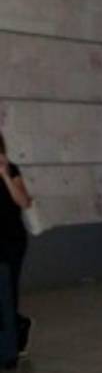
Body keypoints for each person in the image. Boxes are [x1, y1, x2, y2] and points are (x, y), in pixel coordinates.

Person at [0, 130, 34, 359]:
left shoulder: (12, 169)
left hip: (11, 241)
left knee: (8, 292)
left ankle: (13, 340)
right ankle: (16, 326)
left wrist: (4, 175)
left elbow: (24, 201)